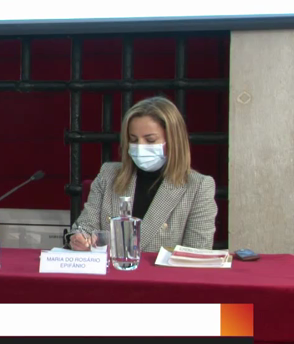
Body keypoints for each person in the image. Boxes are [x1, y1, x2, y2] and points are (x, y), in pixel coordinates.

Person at [69, 97, 217, 253]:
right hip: (111, 268)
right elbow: (86, 226)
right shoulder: (108, 174)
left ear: (173, 140)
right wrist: (79, 238)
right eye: (133, 140)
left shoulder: (198, 186)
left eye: (150, 140)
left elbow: (196, 253)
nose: (140, 147)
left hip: (160, 269)